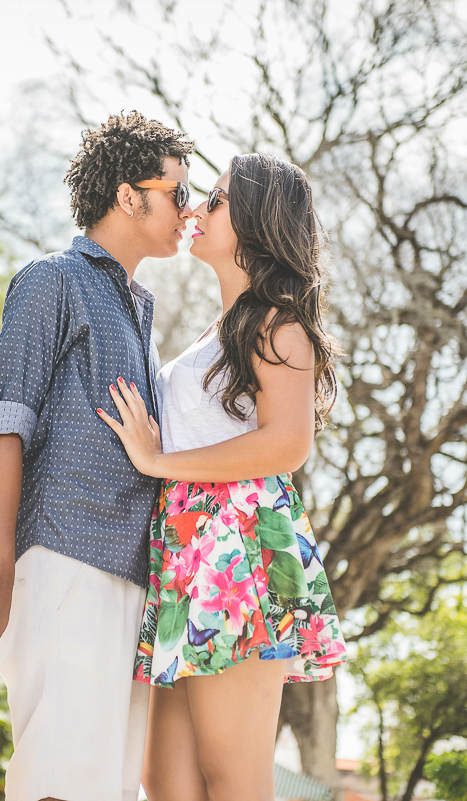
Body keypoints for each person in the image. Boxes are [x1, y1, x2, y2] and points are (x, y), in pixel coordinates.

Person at [0, 111, 194, 801]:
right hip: (63, 567)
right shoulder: (51, 280)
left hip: (133, 584)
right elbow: (3, 425)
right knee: (58, 784)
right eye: (176, 191)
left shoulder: (138, 315)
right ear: (127, 196)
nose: (188, 208)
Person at [97, 153, 350, 801]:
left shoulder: (278, 323)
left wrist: (158, 462)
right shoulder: (222, 331)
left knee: (233, 779)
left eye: (216, 199)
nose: (197, 210)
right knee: (167, 782)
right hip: (184, 558)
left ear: (259, 223)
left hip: (238, 554)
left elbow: (287, 443)